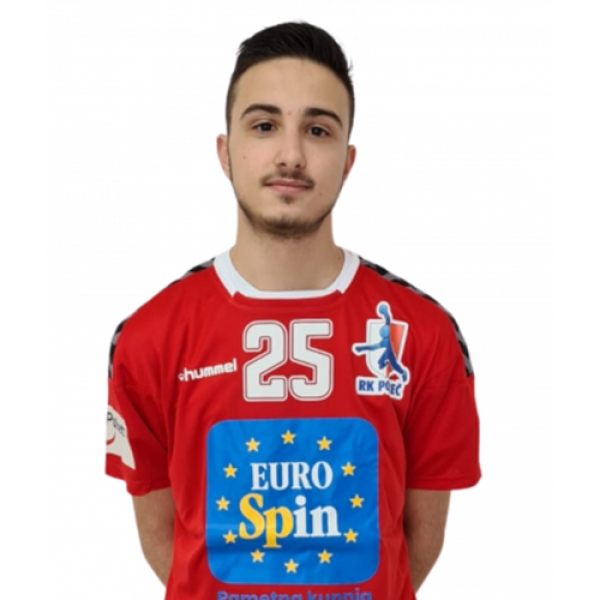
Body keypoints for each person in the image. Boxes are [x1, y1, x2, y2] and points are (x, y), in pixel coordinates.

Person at [105, 20, 481, 600]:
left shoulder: (423, 334)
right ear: (225, 152)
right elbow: (165, 541)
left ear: (347, 160)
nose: (290, 155)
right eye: (264, 125)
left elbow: (415, 544)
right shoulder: (148, 338)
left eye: (317, 130)